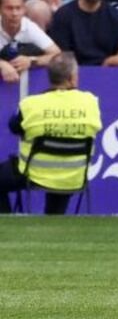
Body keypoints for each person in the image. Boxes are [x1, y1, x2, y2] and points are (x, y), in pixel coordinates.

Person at [0, 52, 98, 215]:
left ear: (50, 77)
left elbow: (14, 127)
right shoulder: (90, 102)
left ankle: (6, 222)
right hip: (73, 174)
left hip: (33, 173)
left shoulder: (31, 104)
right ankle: (55, 219)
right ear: (72, 78)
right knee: (62, 173)